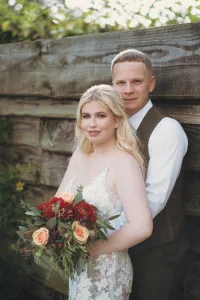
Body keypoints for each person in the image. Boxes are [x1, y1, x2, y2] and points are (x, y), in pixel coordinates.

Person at [55, 84, 153, 300]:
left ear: (117, 120)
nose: (91, 124)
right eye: (86, 116)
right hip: (78, 266)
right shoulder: (79, 156)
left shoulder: (124, 163)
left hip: (108, 271)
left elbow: (142, 227)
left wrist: (94, 248)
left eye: (100, 115)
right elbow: (57, 204)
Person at [111, 49, 189, 300]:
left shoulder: (166, 130)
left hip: (157, 254)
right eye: (120, 82)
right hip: (117, 249)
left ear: (151, 83)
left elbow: (154, 197)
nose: (128, 90)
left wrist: (103, 234)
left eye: (137, 81)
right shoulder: (109, 128)